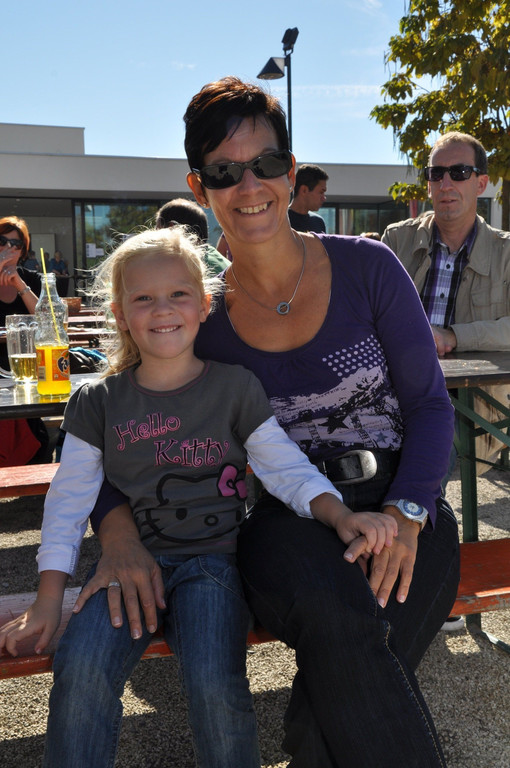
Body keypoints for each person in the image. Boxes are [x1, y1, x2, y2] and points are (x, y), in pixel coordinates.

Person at [73, 77, 459, 768]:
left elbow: (431, 406)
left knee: (329, 710)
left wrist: (406, 514)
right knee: (344, 626)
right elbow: (102, 426)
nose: (249, 185)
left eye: (267, 163)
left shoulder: (368, 267)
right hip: (288, 520)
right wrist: (119, 535)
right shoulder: (198, 314)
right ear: (199, 187)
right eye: (224, 171)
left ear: (289, 169)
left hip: (406, 499)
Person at [0, 226, 397, 768]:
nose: (163, 309)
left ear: (205, 305)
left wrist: (339, 513)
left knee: (215, 684)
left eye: (179, 294)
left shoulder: (235, 387)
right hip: (124, 572)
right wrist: (48, 599)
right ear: (120, 314)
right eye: (143, 298)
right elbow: (68, 501)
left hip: (213, 567)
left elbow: (285, 468)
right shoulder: (96, 401)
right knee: (81, 667)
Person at [382, 131, 510, 631]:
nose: (445, 183)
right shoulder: (397, 240)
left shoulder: (505, 252)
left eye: (459, 172)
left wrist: (454, 336)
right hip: (396, 398)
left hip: (475, 409)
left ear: (482, 183)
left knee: (428, 453)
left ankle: (424, 585)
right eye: (436, 173)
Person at [0, 216, 49, 465]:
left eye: (16, 244)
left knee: (36, 437)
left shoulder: (31, 279)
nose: (9, 248)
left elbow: (48, 321)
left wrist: (19, 284)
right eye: (2, 241)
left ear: (23, 252)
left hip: (26, 371)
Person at [155, 197, 230, 274]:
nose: (154, 237)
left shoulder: (186, 267)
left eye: (157, 229)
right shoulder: (217, 261)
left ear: (172, 228)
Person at [288, 163, 328, 232]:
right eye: (321, 192)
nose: (324, 198)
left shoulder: (318, 222)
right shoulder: (279, 220)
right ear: (304, 190)